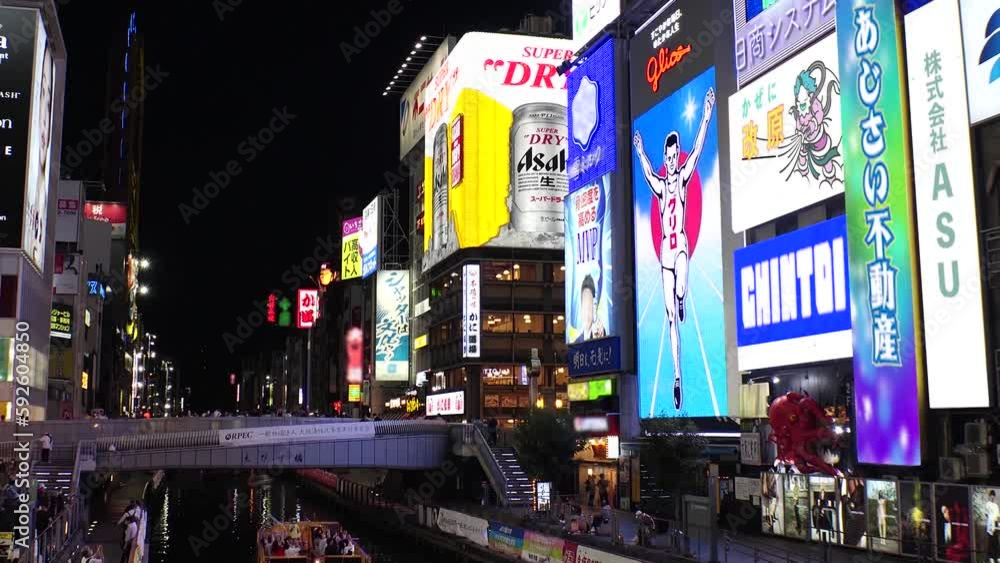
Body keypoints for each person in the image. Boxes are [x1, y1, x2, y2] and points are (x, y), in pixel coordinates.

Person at [633, 85, 716, 410]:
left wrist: (707, 115)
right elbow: (645, 169)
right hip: (664, 259)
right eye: (666, 158)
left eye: (672, 156)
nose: (669, 162)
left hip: (680, 249)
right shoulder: (659, 182)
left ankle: (682, 298)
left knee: (681, 289)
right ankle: (678, 376)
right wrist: (640, 150)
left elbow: (697, 149)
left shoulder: (681, 178)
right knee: (670, 319)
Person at [574, 275, 606, 343]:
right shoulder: (576, 343)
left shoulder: (601, 334)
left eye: (589, 305)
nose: (586, 312)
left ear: (594, 307)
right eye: (585, 305)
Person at [986, 490, 1000, 563]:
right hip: (990, 525)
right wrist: (991, 524)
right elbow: (987, 514)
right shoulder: (987, 504)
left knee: (996, 541)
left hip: (996, 525)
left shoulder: (996, 505)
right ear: (989, 496)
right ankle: (991, 557)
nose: (992, 497)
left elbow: (998, 516)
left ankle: (997, 556)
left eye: (993, 495)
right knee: (990, 541)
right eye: (991, 495)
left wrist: (997, 524)